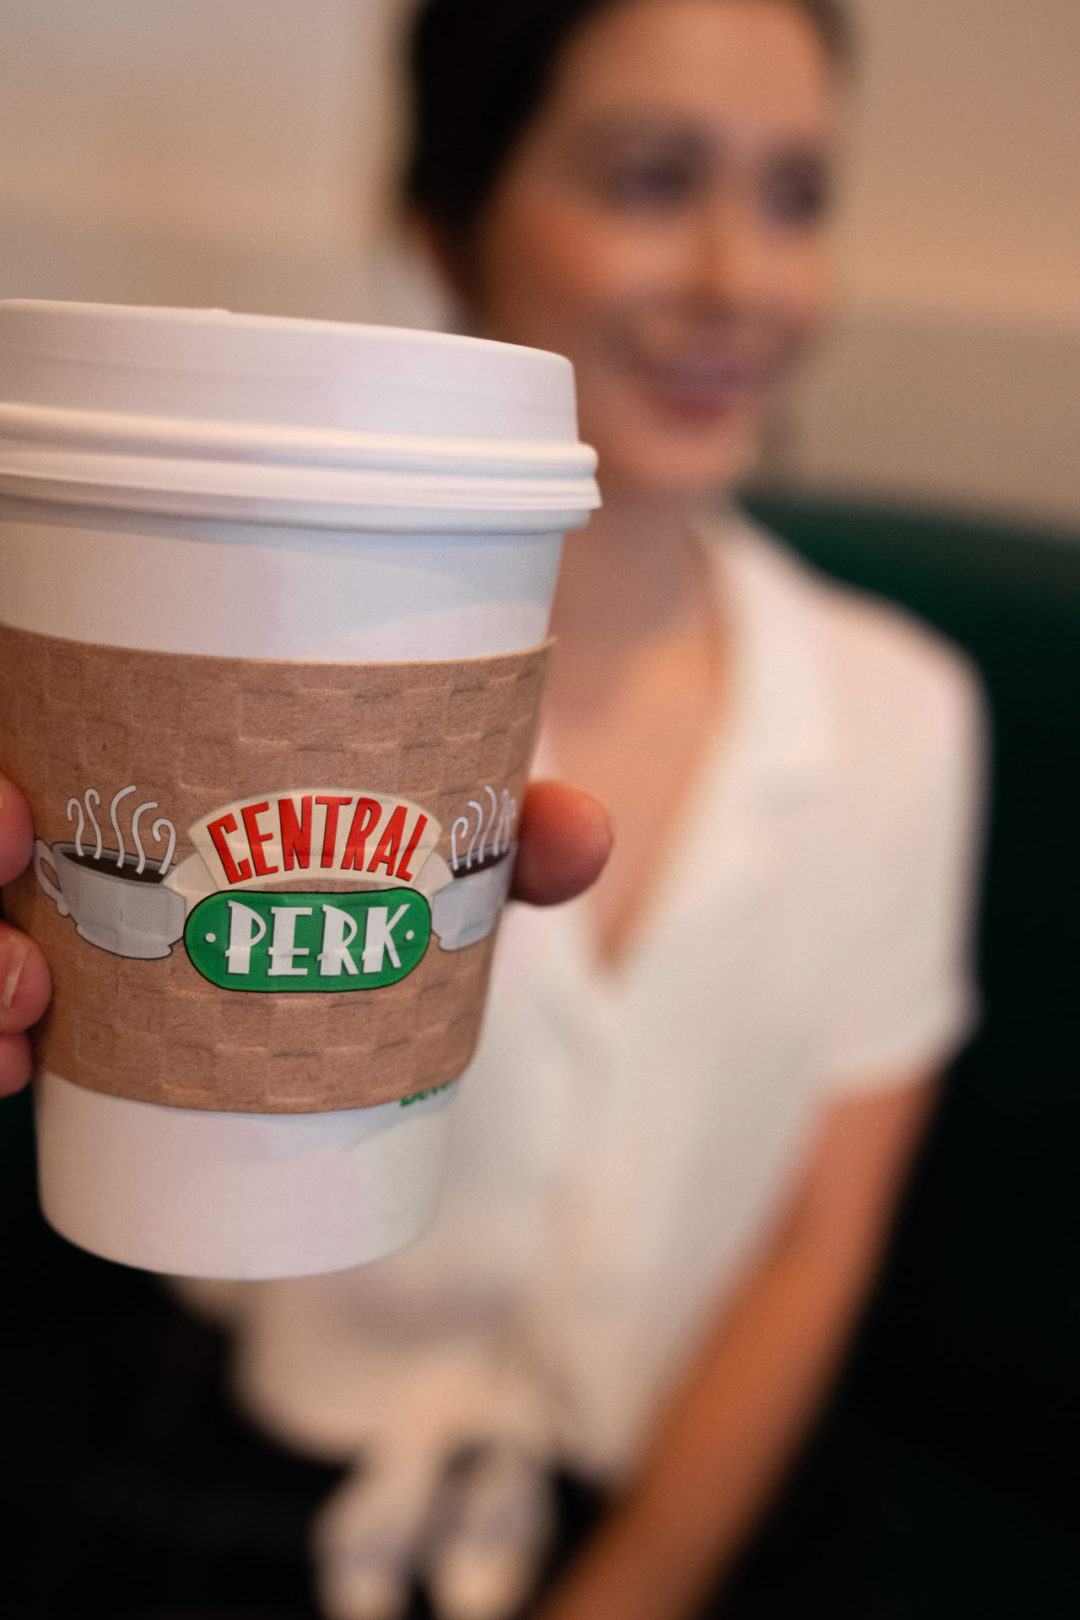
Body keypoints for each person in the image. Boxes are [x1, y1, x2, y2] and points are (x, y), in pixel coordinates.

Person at [0, 2, 986, 1618]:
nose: (742, 277)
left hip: (669, 1494)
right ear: (446, 220)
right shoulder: (214, 652)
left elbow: (820, 1245)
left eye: (798, 192)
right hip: (256, 1454)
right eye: (654, 178)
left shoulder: (907, 718)